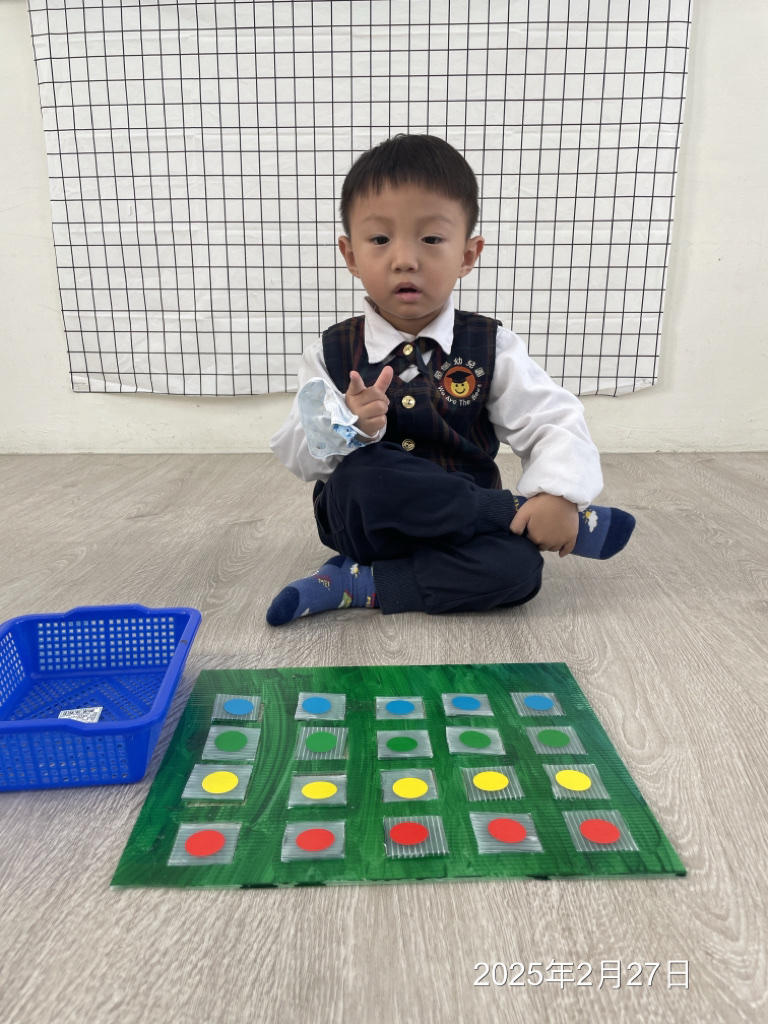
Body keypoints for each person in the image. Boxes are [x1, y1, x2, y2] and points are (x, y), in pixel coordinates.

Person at [267, 134, 634, 625]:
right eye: (380, 240)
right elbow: (296, 451)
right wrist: (346, 425)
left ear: (467, 254)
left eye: (431, 239)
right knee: (367, 475)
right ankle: (508, 511)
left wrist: (558, 493)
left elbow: (551, 418)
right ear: (350, 254)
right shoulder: (331, 353)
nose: (404, 259)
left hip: (459, 530)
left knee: (520, 570)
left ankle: (358, 584)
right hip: (365, 519)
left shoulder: (491, 345)